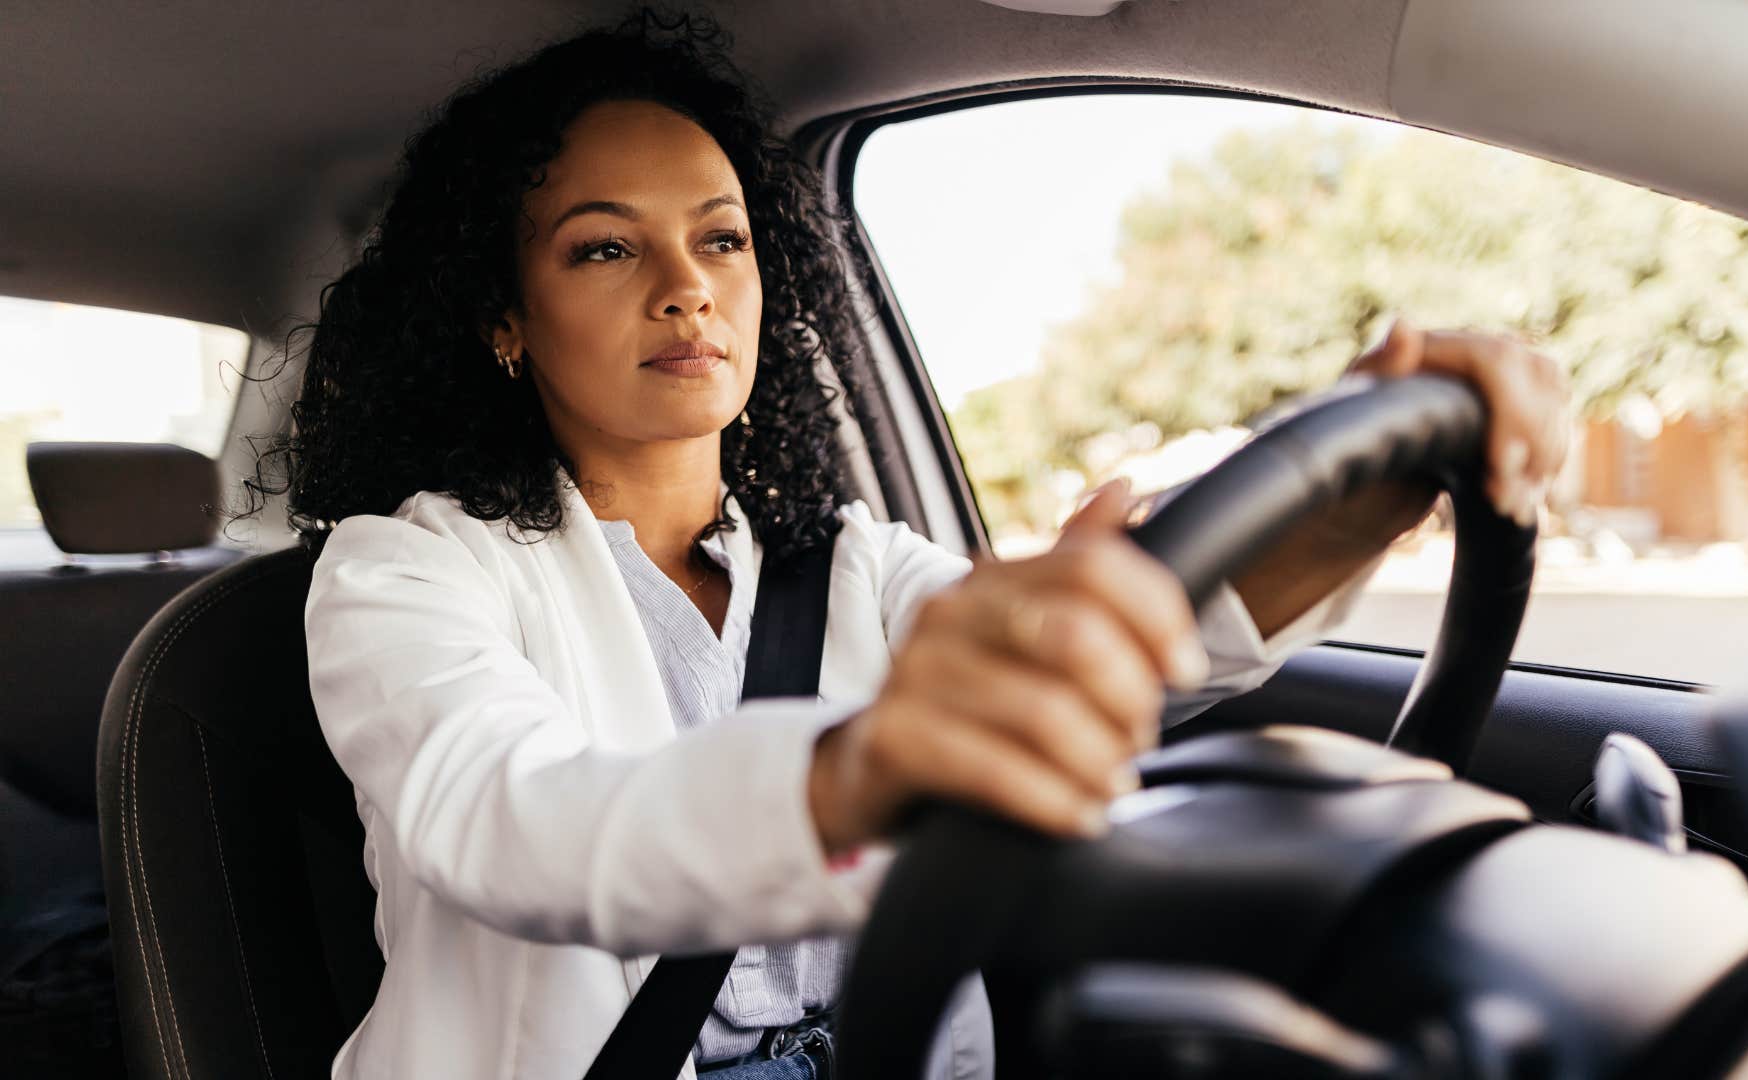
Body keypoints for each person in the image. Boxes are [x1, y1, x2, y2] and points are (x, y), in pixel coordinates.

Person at [246, 10, 1569, 1080]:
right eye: (604, 247)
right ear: (503, 321)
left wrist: (1365, 490)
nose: (688, 284)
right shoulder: (406, 571)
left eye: (721, 238)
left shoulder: (856, 573)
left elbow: (1150, 650)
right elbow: (510, 821)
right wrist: (854, 769)